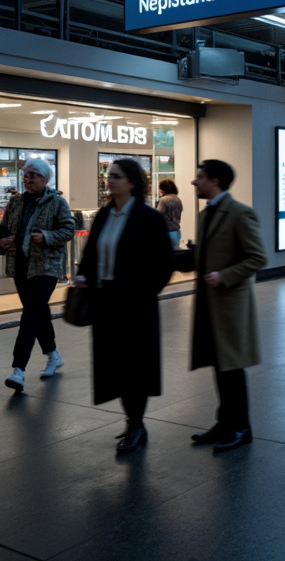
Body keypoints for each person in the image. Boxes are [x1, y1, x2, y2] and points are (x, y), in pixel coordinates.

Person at [75, 158, 173, 453]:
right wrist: (84, 276)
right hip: (106, 302)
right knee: (114, 365)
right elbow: (93, 252)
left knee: (135, 366)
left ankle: (137, 424)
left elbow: (163, 262)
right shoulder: (106, 215)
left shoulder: (148, 217)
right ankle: (132, 421)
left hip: (135, 305)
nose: (109, 180)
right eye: (109, 175)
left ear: (132, 182)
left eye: (116, 176)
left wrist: (144, 292)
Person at [190, 159, 267, 452]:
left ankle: (240, 427)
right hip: (210, 304)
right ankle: (224, 423)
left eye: (200, 177)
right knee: (220, 366)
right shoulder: (205, 214)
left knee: (232, 368)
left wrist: (225, 276)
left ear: (215, 181)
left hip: (230, 305)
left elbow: (257, 257)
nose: (195, 182)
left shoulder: (240, 213)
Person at [2, 158, 75, 392]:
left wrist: (46, 236)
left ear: (45, 179)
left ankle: (18, 369)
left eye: (33, 175)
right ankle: (53, 354)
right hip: (20, 265)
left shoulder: (57, 203)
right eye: (25, 175)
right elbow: (3, 231)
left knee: (30, 314)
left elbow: (68, 230)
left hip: (46, 266)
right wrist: (2, 242)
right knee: (39, 311)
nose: (27, 179)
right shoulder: (15, 202)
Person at [156, 178, 184, 248]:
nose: (159, 190)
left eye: (160, 188)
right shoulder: (178, 199)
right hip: (176, 231)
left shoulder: (164, 200)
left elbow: (158, 215)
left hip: (167, 232)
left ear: (163, 189)